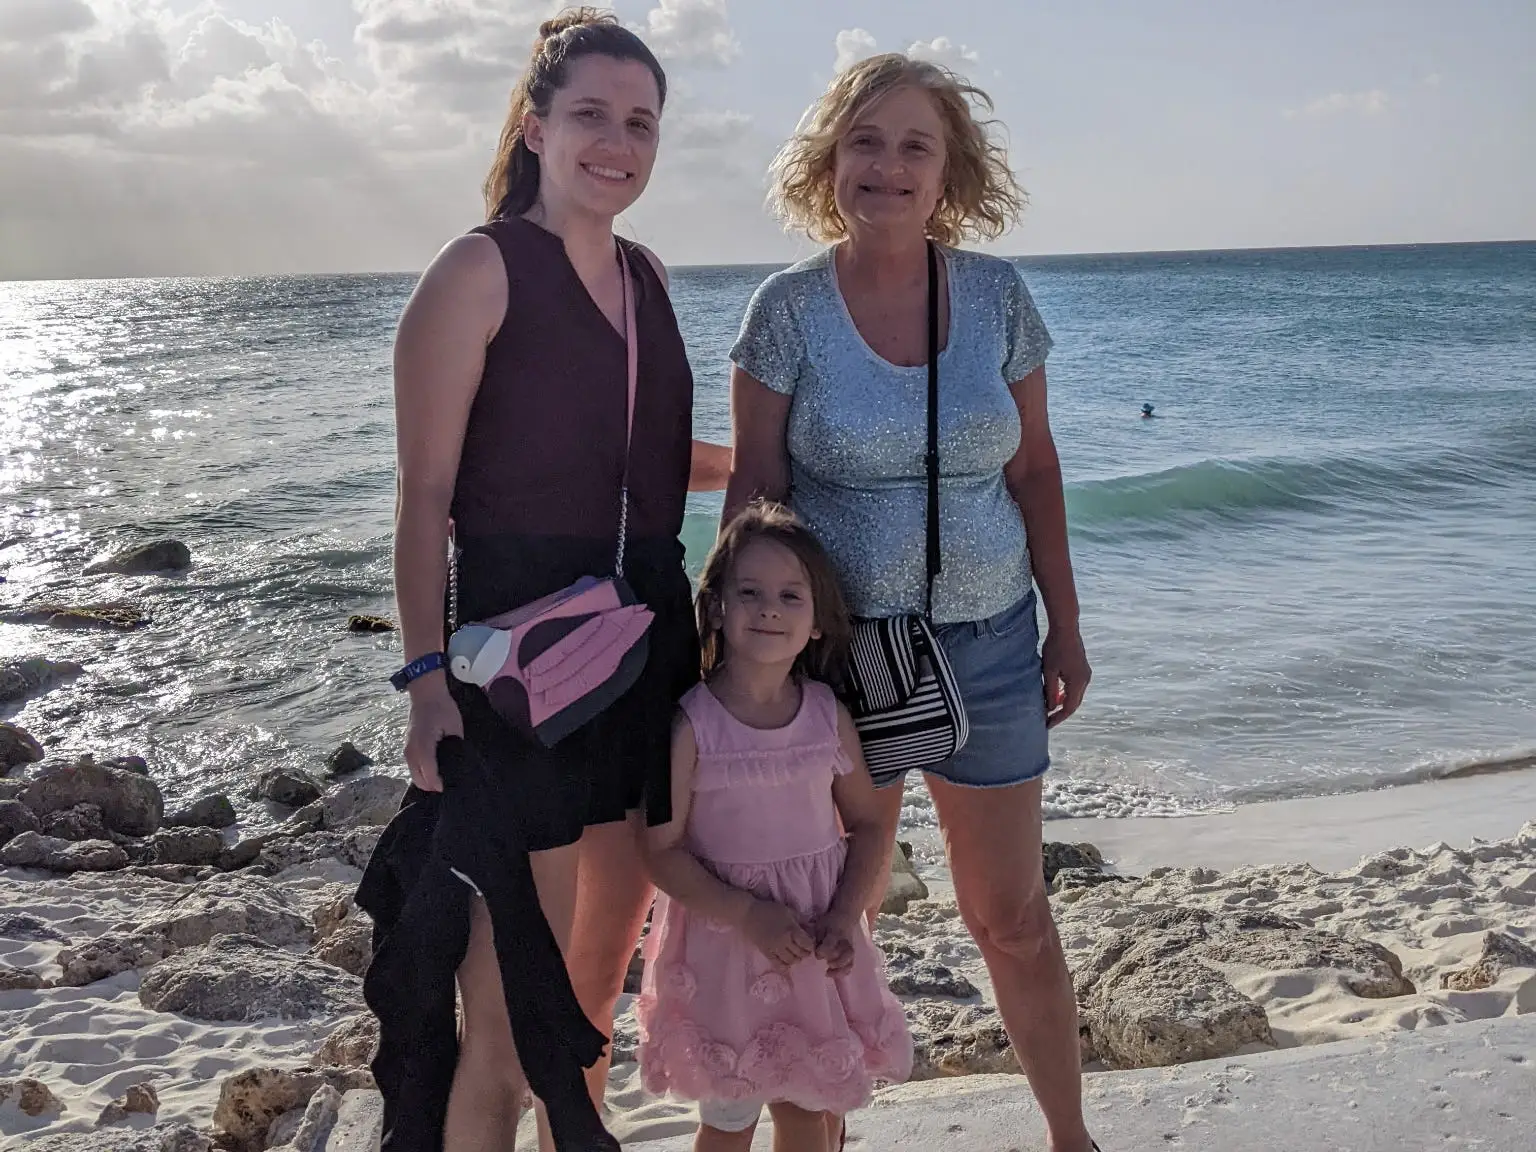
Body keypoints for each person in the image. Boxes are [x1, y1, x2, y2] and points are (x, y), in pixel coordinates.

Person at [723, 55, 1099, 1152]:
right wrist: (740, 670)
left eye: (914, 146)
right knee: (836, 918)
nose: (887, 166)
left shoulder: (997, 298)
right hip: (840, 661)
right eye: (866, 141)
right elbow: (756, 494)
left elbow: (1035, 470)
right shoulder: (786, 311)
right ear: (828, 160)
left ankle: (1071, 1139)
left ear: (949, 172)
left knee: (1011, 917)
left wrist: (1067, 626)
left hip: (992, 640)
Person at [379, 8, 728, 1150]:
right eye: (591, 116)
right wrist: (426, 683)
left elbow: (646, 466)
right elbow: (425, 495)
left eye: (641, 122)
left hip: (644, 654)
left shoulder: (646, 276)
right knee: (506, 1026)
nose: (617, 143)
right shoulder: (477, 271)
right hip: (525, 678)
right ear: (535, 128)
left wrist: (786, 465)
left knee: (583, 1007)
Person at [636, 502, 913, 1152]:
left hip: (815, 943)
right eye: (750, 592)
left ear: (817, 622)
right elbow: (661, 851)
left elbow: (869, 825)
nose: (769, 609)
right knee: (728, 1119)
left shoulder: (826, 714)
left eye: (791, 596)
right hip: (725, 950)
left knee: (808, 1111)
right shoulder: (692, 724)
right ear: (716, 607)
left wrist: (844, 916)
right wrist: (746, 913)